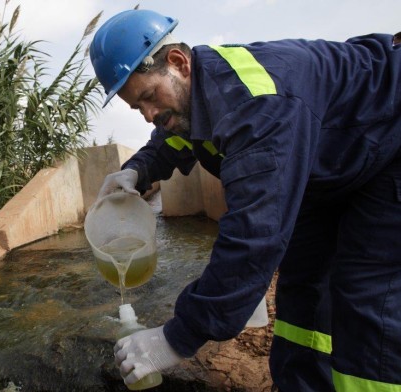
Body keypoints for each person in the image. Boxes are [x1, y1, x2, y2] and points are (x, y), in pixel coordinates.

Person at [90, 9, 401, 392]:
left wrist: (175, 338)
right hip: (333, 162)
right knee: (303, 285)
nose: (150, 114)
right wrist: (137, 170)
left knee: (365, 298)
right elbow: (173, 138)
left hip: (389, 139)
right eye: (139, 108)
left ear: (178, 62)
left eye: (150, 98)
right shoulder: (199, 93)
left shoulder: (256, 108)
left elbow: (255, 239)